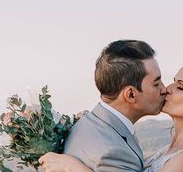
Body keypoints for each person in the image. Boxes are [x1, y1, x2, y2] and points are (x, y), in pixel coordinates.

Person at [40, 53, 183, 172]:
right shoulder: (168, 151)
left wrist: (74, 168)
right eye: (173, 81)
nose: (166, 89)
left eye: (180, 87)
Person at [40, 40, 167, 172]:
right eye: (156, 84)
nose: (165, 89)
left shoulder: (88, 122)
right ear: (130, 95)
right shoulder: (114, 152)